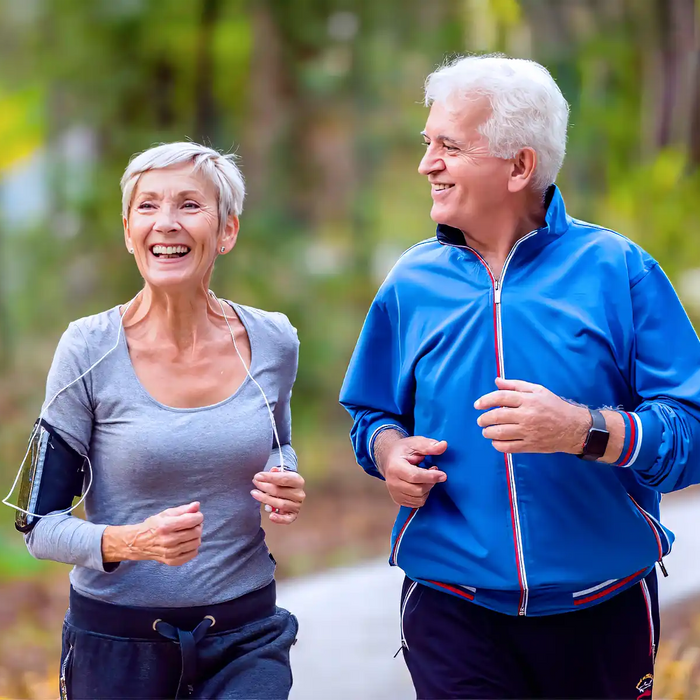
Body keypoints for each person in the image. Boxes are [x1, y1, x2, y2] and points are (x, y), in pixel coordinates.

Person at [340, 54, 700, 699]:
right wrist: (389, 453)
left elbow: (692, 433)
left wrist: (585, 430)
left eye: (449, 146)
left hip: (603, 605)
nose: (427, 164)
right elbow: (371, 417)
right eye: (429, 144)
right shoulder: (410, 283)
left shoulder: (620, 271)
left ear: (520, 166)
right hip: (451, 604)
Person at [14, 142, 305, 699]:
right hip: (118, 646)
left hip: (246, 637)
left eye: (190, 205)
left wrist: (283, 476)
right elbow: (37, 523)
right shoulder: (87, 350)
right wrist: (132, 542)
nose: (165, 223)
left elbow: (278, 443)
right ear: (128, 231)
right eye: (148, 206)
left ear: (227, 231)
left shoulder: (272, 340)